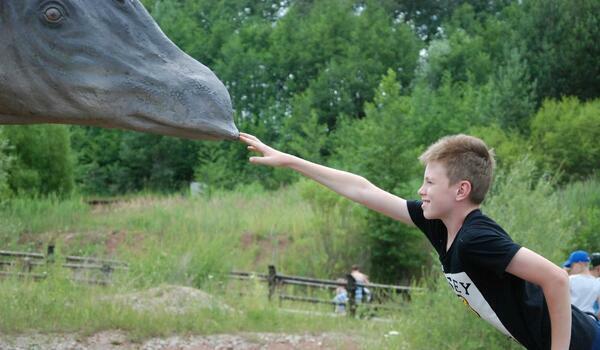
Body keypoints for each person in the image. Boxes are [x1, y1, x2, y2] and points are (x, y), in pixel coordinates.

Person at [239, 132, 599, 349]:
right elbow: (362, 189)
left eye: (429, 182)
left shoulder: (476, 237)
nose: (420, 190)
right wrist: (290, 161)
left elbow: (555, 278)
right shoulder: (439, 226)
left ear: (461, 190)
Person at [564, 250, 600, 318]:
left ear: (580, 263)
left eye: (571, 266)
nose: (571, 269)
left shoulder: (571, 279)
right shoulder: (597, 283)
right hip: (590, 320)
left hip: (573, 318)